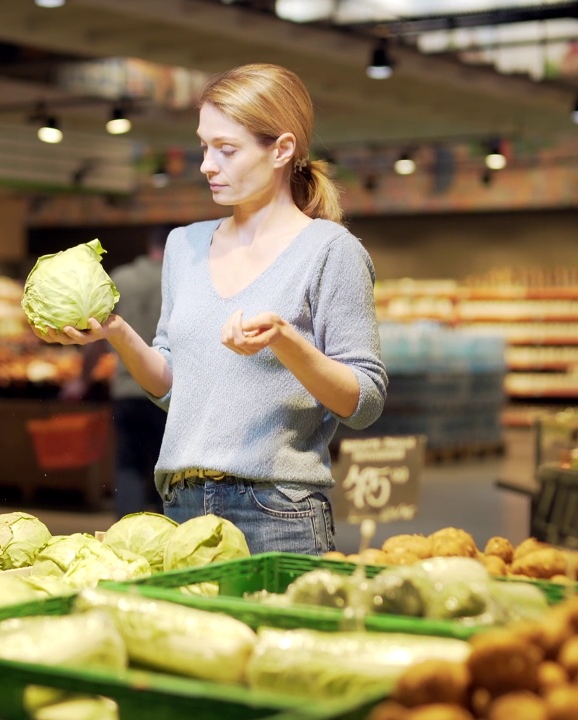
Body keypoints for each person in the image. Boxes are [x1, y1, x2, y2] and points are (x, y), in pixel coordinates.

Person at [36, 63, 387, 555]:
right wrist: (115, 331)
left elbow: (364, 402)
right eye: (204, 146)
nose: (206, 164)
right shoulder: (185, 246)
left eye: (226, 149)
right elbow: (171, 387)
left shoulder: (331, 251)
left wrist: (285, 340)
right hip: (180, 508)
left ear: (282, 150)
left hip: (278, 512)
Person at [62, 227, 170, 517]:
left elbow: (96, 339)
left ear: (151, 244)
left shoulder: (122, 279)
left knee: (128, 466)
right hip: (170, 392)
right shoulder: (180, 280)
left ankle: (126, 534)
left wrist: (83, 379)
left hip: (126, 388)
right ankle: (167, 538)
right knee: (168, 470)